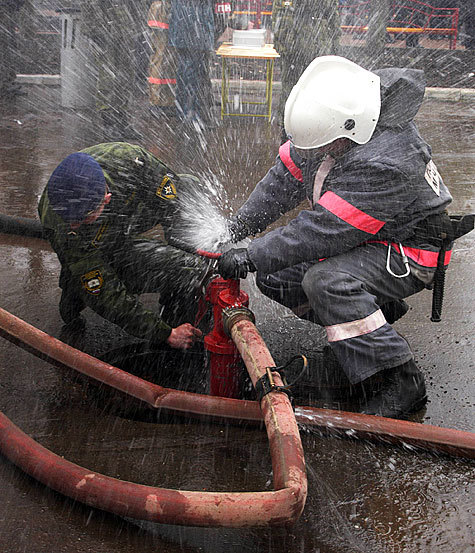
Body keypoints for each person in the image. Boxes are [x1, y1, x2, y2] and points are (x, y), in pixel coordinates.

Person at [219, 56, 457, 419]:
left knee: (325, 281)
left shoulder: (388, 160)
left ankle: (400, 379)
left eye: (321, 147)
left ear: (352, 129)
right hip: (368, 239)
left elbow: (324, 230)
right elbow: (281, 182)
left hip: (410, 249)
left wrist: (252, 253)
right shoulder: (331, 126)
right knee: (276, 276)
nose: (313, 153)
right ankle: (368, 330)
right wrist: (237, 229)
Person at [38, 142, 210, 350]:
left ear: (105, 197)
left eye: (82, 218)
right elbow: (106, 294)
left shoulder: (132, 162)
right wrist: (166, 334)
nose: (74, 224)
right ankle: (74, 291)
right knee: (90, 282)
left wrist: (185, 249)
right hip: (96, 239)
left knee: (189, 189)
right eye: (72, 221)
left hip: (128, 214)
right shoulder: (65, 228)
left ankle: (176, 302)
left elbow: (175, 201)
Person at [81, 0, 149, 140]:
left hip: (124, 30)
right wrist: (95, 29)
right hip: (104, 30)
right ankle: (109, 123)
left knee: (126, 78)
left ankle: (122, 121)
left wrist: (138, 24)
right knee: (108, 78)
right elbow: (90, 4)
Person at [272, 0, 341, 138]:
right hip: (306, 48)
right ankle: (297, 135)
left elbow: (278, 18)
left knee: (300, 93)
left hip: (309, 48)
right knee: (295, 93)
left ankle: (295, 136)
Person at [168, 0, 215, 127]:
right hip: (195, 30)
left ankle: (187, 113)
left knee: (189, 72)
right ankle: (191, 115)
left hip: (187, 28)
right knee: (192, 74)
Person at [0, 0, 26, 99]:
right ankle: (5, 84)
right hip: (5, 9)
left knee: (8, 46)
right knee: (5, 47)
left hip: (8, 8)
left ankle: (7, 82)